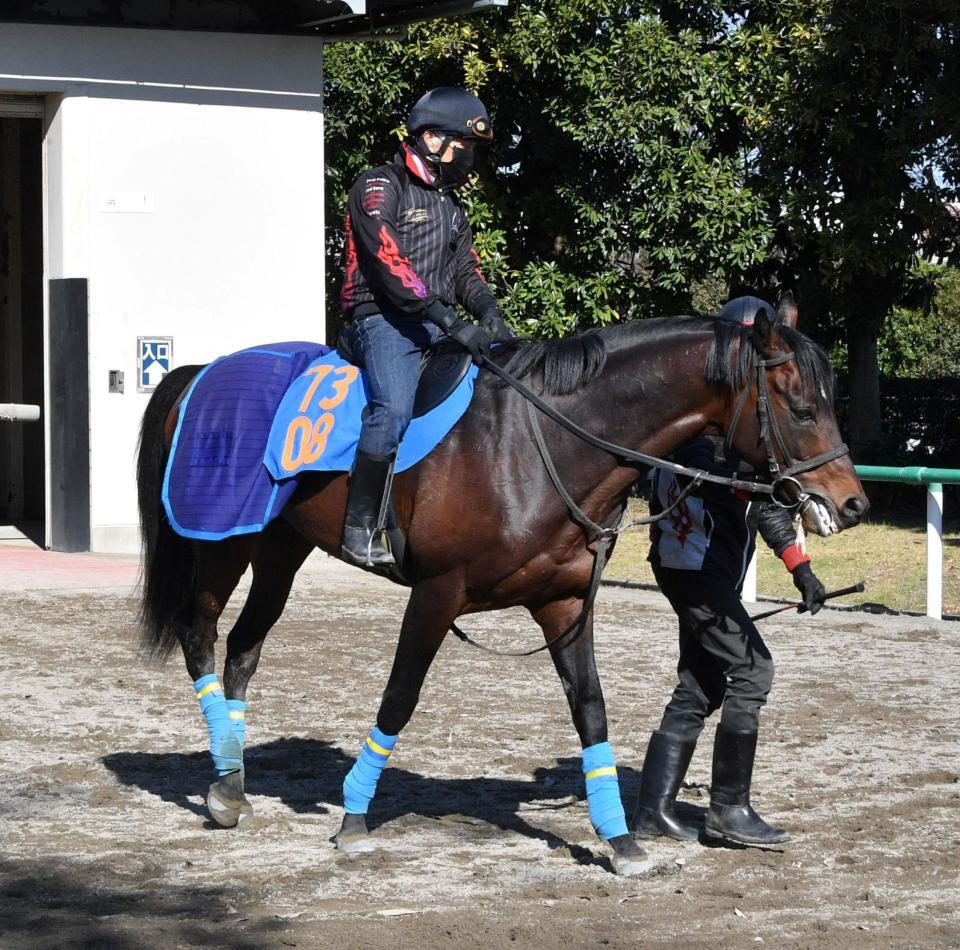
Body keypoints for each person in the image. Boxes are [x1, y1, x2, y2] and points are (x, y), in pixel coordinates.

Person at [629, 296, 828, 847]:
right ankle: (728, 810)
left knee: (702, 683)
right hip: (695, 572)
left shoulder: (733, 433)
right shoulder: (697, 431)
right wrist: (768, 486)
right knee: (753, 672)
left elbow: (764, 507)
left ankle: (652, 811)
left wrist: (801, 568)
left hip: (701, 570)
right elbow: (727, 483)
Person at [337, 86, 511, 568]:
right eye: (464, 145)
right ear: (433, 139)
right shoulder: (379, 185)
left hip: (434, 323)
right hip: (382, 320)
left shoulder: (452, 206)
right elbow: (388, 262)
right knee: (392, 409)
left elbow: (466, 271)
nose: (468, 156)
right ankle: (359, 528)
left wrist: (490, 311)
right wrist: (451, 321)